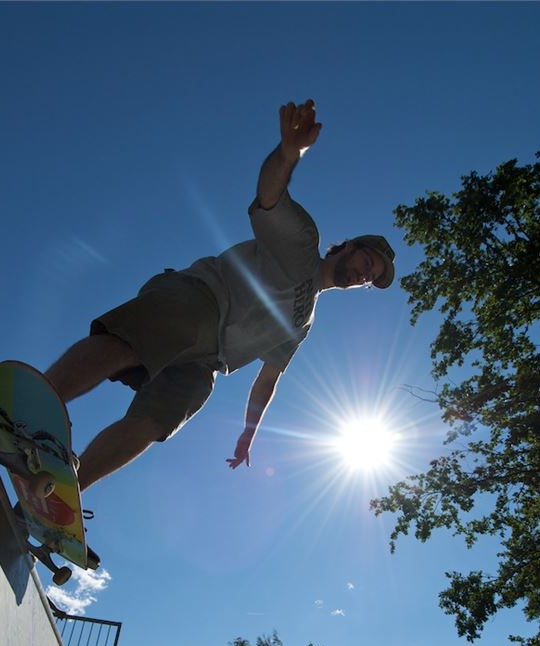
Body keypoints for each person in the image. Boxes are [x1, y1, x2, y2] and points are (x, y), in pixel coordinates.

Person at [45, 99, 395, 493]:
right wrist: (288, 153)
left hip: (209, 362)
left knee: (157, 421)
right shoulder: (301, 243)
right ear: (347, 247)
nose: (365, 273)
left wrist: (249, 434)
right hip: (202, 298)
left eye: (371, 277)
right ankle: (37, 405)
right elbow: (270, 195)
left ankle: (66, 494)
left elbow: (267, 379)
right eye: (368, 261)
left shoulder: (304, 320)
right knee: (136, 344)